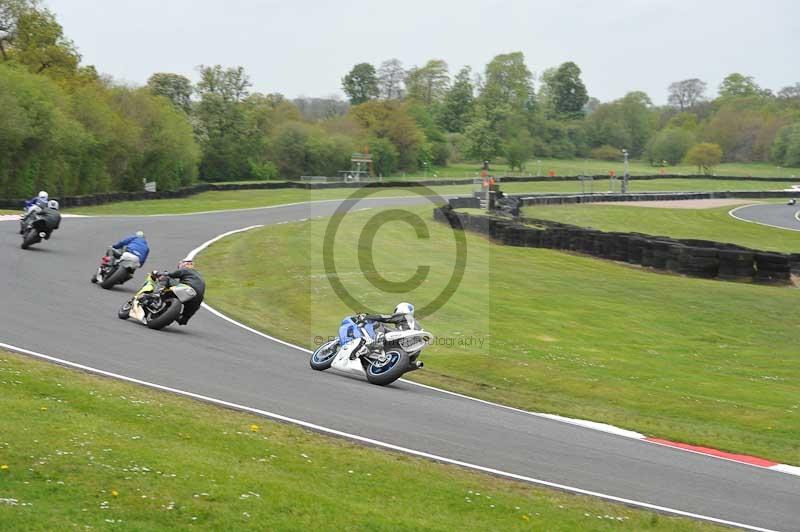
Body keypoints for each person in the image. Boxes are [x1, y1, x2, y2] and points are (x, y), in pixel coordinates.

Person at [160, 259, 205, 325]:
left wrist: (161, 273)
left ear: (184, 264)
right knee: (183, 320)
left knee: (166, 278)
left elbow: (171, 274)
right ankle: (176, 316)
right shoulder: (200, 276)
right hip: (198, 298)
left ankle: (157, 293)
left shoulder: (186, 270)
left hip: (187, 288)